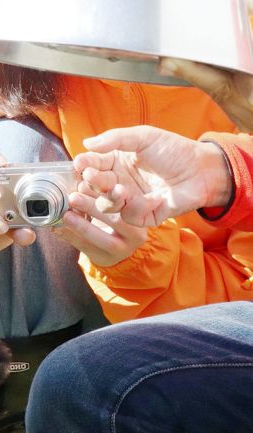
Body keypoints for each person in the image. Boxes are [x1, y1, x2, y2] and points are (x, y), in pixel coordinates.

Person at [0, 1, 253, 430]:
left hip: (189, 341)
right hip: (47, 317)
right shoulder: (16, 30)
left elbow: (239, 326)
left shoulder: (238, 53)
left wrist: (138, 262)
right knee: (9, 151)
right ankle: (10, 412)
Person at [24, 124, 253, 432]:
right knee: (14, 141)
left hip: (216, 298)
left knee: (78, 381)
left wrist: (136, 261)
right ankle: (6, 412)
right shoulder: (46, 76)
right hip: (124, 295)